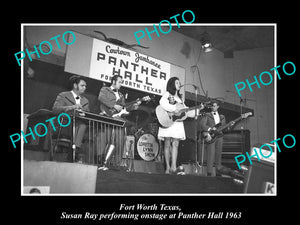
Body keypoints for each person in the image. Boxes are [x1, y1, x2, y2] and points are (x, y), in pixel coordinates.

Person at [158, 77, 203, 174]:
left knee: (175, 144)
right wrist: (174, 108)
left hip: (177, 124)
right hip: (168, 120)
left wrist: (197, 110)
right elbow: (162, 103)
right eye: (177, 82)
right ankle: (167, 168)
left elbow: (185, 110)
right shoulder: (167, 94)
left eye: (179, 82)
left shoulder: (181, 98)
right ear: (172, 84)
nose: (179, 84)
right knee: (167, 144)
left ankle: (174, 167)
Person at [98, 75, 141, 169]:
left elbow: (123, 109)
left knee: (120, 141)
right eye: (120, 82)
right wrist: (113, 105)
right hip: (108, 117)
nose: (121, 84)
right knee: (109, 140)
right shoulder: (105, 89)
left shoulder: (121, 95)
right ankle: (104, 163)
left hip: (119, 119)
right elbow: (101, 98)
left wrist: (134, 107)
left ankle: (117, 164)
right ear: (113, 81)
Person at [52, 75, 90, 162]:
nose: (85, 88)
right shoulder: (63, 95)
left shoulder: (86, 101)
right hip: (65, 123)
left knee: (83, 125)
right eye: (82, 85)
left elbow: (87, 115)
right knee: (81, 126)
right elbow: (55, 109)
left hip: (79, 124)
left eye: (85, 86)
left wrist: (84, 114)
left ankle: (74, 151)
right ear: (75, 85)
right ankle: (74, 152)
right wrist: (71, 107)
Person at [199, 100, 235, 176]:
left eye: (214, 106)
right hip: (212, 136)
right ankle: (209, 173)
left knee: (218, 155)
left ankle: (218, 172)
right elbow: (202, 125)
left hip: (220, 136)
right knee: (210, 154)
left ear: (218, 107)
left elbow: (224, 128)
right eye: (212, 106)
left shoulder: (222, 117)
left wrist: (230, 126)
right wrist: (210, 129)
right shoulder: (207, 115)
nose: (213, 107)